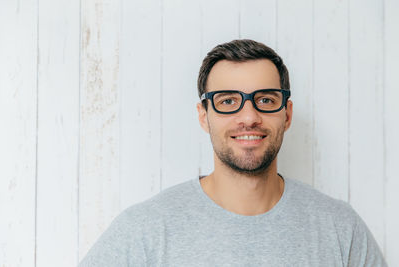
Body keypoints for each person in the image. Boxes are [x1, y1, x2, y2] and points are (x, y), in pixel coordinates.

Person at [79, 39, 387, 266]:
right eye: (228, 101)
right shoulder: (146, 229)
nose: (249, 116)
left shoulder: (340, 228)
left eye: (266, 100)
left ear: (287, 114)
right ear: (204, 116)